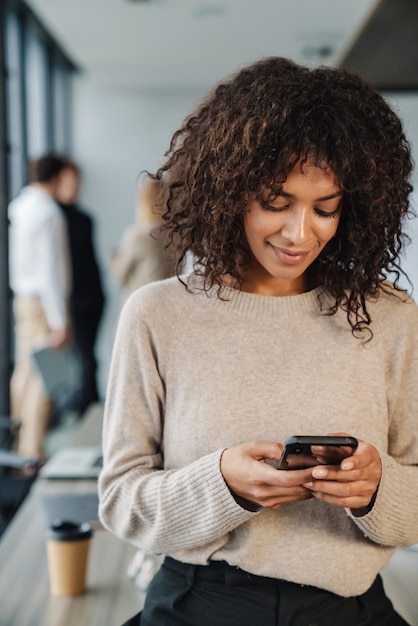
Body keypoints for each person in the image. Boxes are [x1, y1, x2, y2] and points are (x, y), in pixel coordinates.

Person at [98, 57, 418, 626]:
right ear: (229, 190)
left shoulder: (389, 317)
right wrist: (221, 483)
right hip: (199, 603)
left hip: (351, 611)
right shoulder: (158, 314)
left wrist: (376, 490)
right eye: (276, 203)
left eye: (326, 209)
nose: (301, 233)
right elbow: (121, 501)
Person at [8, 153, 71, 461]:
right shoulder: (48, 212)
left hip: (23, 300)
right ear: (58, 177)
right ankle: (31, 454)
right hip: (43, 305)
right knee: (43, 378)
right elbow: (50, 271)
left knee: (23, 374)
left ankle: (19, 447)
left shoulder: (19, 207)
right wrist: (59, 320)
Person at [55, 158, 105, 417]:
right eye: (67, 182)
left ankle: (89, 406)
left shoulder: (84, 219)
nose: (73, 187)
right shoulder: (53, 218)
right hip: (71, 298)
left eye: (76, 182)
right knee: (85, 357)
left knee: (88, 356)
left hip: (93, 296)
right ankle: (89, 406)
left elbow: (90, 261)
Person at [110, 178, 176, 299]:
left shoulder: (138, 235)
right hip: (167, 303)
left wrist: (114, 258)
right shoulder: (176, 235)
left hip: (141, 305)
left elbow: (120, 276)